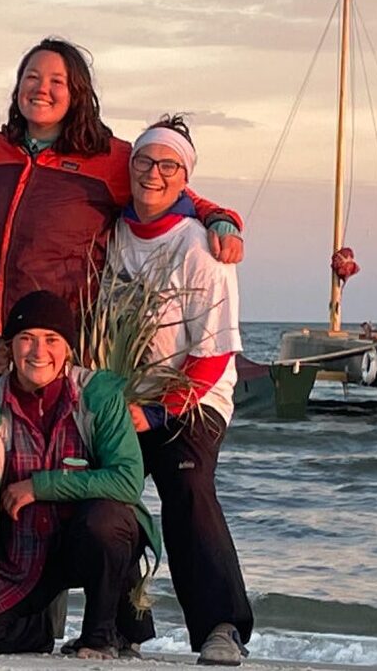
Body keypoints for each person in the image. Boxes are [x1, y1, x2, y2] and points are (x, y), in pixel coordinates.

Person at [0, 38, 245, 387]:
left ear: (77, 92)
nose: (41, 88)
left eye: (56, 81)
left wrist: (220, 218)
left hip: (58, 341)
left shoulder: (108, 158)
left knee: (57, 443)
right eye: (31, 77)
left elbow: (164, 189)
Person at [0, 290, 159, 658]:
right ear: (10, 347)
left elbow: (126, 479)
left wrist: (40, 486)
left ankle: (101, 634)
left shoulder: (99, 396)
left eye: (51, 340)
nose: (38, 352)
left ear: (68, 350)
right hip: (24, 552)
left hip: (85, 539)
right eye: (26, 339)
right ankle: (37, 627)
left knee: (108, 520)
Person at [112, 116, 253, 665]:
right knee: (108, 498)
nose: (153, 174)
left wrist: (160, 412)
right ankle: (122, 625)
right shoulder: (114, 231)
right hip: (126, 397)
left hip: (194, 400)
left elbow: (216, 351)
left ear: (184, 178)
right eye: (144, 162)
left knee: (187, 492)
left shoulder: (202, 247)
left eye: (168, 166)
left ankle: (222, 628)